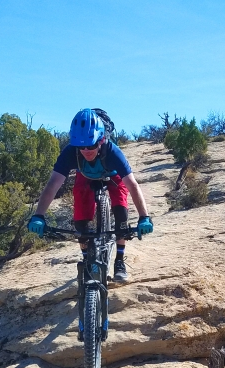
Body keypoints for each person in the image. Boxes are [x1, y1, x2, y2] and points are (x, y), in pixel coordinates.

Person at [27, 108, 153, 282]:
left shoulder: (112, 151)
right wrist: (38, 215)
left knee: (121, 213)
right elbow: (53, 184)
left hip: (112, 174)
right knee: (81, 221)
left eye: (91, 145)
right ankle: (87, 259)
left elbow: (131, 184)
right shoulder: (71, 152)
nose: (86, 150)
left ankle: (119, 261)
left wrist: (144, 217)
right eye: (81, 146)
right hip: (85, 175)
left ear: (101, 140)